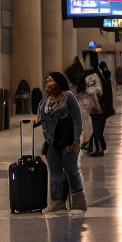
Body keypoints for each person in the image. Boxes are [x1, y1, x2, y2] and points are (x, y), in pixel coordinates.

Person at [35, 70, 86, 213]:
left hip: (68, 140)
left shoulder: (69, 98)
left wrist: (76, 140)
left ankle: (78, 202)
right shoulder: (45, 102)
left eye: (52, 80)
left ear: (59, 82)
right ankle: (57, 203)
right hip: (52, 141)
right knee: (55, 172)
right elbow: (40, 122)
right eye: (48, 81)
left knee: (71, 170)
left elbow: (77, 120)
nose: (49, 84)